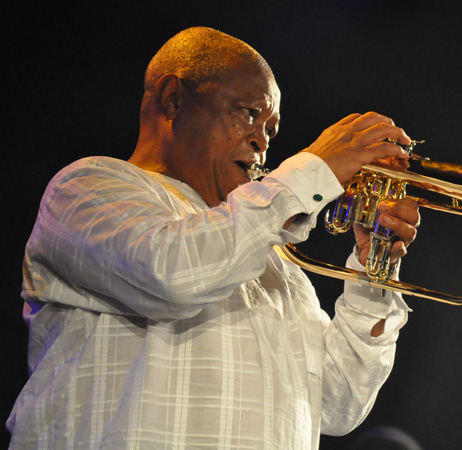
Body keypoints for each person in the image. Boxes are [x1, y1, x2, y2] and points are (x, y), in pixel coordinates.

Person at [7, 27, 420, 449]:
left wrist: (373, 271)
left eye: (272, 131)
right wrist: (313, 170)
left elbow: (337, 404)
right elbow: (172, 272)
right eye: (248, 113)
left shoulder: (273, 258)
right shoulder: (87, 187)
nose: (262, 140)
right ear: (174, 99)